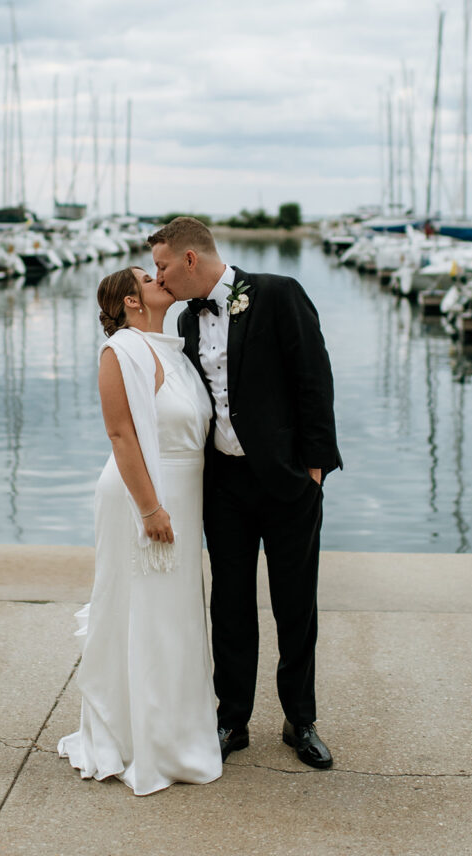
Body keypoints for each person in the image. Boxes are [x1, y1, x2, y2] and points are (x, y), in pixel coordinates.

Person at [148, 217, 342, 769]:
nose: (159, 277)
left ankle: (299, 721)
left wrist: (315, 469)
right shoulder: (185, 319)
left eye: (163, 266)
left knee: (295, 604)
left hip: (287, 481)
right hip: (224, 485)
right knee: (229, 604)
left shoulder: (279, 294)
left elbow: (314, 380)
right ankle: (232, 719)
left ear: (190, 260)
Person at [57, 266, 222, 796]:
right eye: (149, 278)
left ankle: (175, 734)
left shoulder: (171, 349)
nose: (161, 278)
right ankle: (136, 740)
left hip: (183, 494)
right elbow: (120, 433)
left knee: (173, 618)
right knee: (141, 613)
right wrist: (150, 509)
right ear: (131, 301)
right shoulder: (121, 352)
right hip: (142, 497)